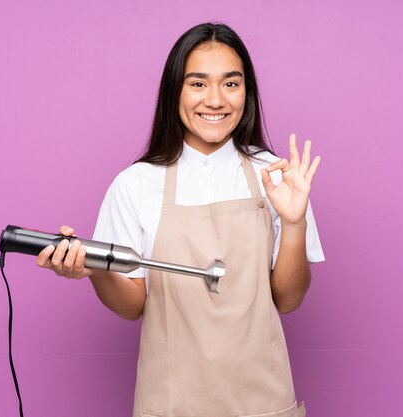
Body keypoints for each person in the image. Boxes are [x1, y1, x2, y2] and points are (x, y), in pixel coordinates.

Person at [36, 22, 324, 417]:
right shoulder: (136, 184)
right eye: (198, 84)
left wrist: (294, 223)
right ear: (175, 91)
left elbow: (289, 300)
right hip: (170, 403)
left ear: (247, 92)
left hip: (263, 400)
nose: (216, 100)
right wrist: (95, 270)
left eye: (231, 83)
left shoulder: (277, 176)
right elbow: (131, 305)